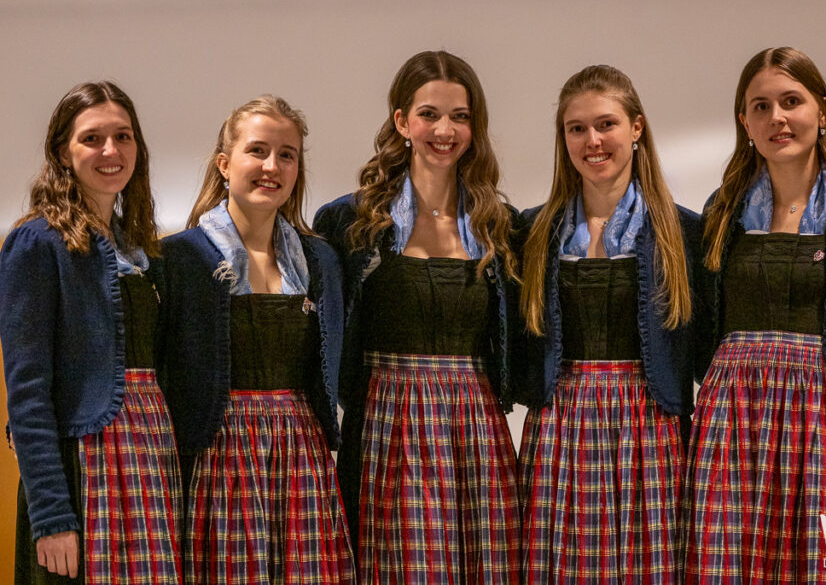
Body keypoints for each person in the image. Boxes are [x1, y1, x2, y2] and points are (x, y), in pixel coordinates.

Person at [314, 50, 520, 583]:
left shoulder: (500, 225)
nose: (445, 130)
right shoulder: (349, 221)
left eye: (460, 116)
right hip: (385, 425)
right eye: (430, 114)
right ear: (402, 122)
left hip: (475, 427)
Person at [685, 47, 826, 583]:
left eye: (791, 101)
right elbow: (703, 324)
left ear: (822, 110)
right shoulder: (722, 209)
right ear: (745, 122)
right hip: (733, 419)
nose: (777, 117)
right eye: (761, 106)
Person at [515, 64, 703, 583]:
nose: (592, 141)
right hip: (559, 425)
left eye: (606, 124)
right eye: (576, 128)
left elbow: (705, 344)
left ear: (637, 128)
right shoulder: (534, 232)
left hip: (651, 425)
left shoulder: (685, 232)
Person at [158, 95, 355, 584]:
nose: (272, 166)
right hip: (218, 453)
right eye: (258, 151)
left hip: (301, 451)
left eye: (287, 155)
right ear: (225, 164)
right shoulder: (180, 259)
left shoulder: (320, 261)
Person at [1, 81, 181, 584]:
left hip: (150, 455)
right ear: (63, 152)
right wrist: (52, 516)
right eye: (92, 138)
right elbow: (28, 393)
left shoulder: (140, 247)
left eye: (123, 136)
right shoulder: (36, 243)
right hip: (84, 465)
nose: (110, 151)